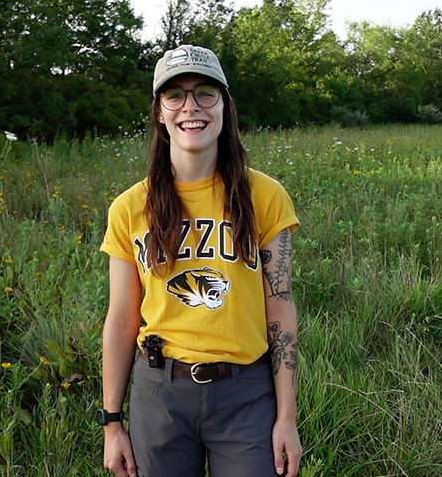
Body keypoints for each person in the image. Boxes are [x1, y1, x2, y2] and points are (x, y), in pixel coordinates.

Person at [99, 45, 302, 477]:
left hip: (246, 392)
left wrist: (286, 416)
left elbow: (280, 308)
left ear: (225, 105)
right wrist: (111, 422)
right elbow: (120, 318)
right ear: (159, 111)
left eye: (205, 93)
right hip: (160, 392)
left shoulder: (265, 196)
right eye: (175, 95)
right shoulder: (130, 207)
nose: (190, 107)